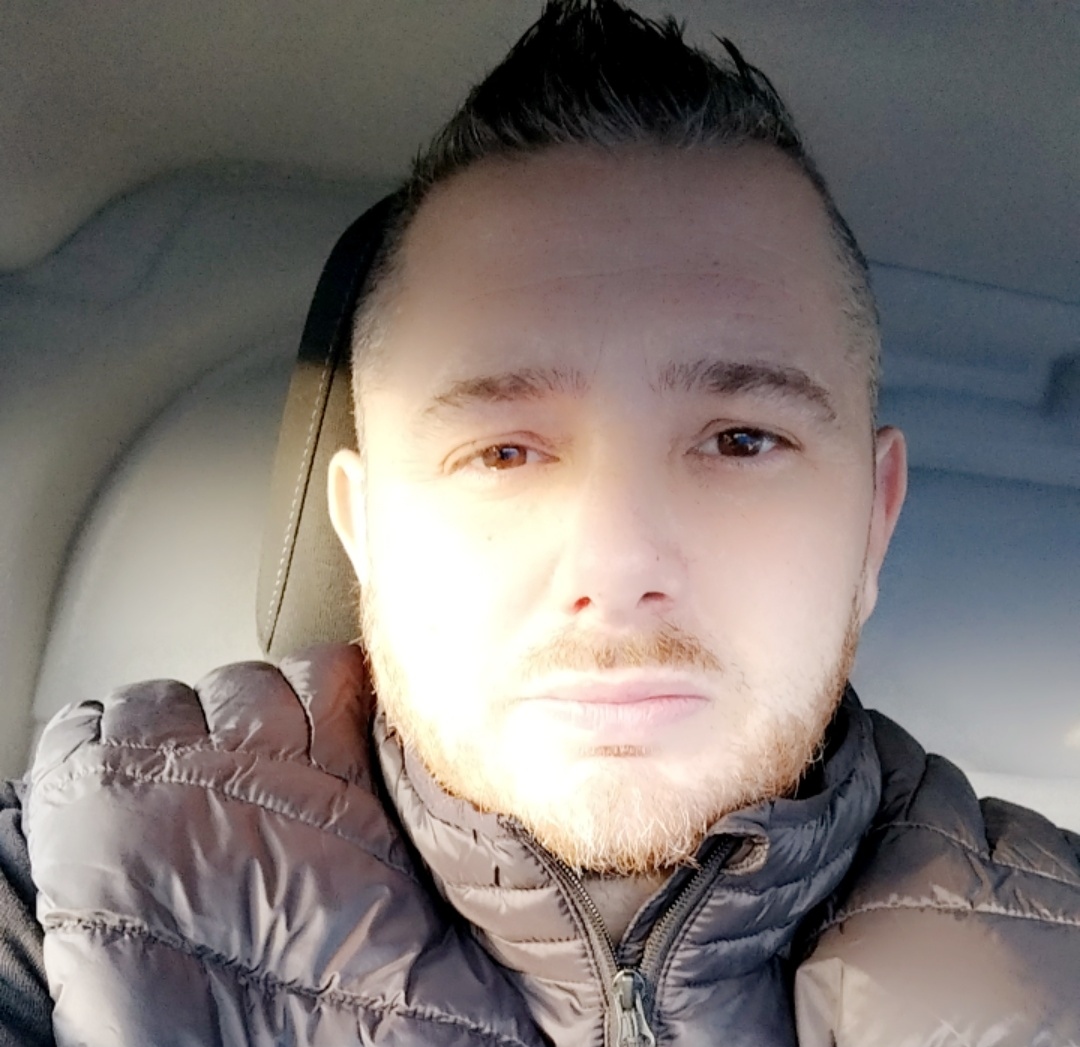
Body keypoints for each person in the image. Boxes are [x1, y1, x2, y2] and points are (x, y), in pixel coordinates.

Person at [3, 2, 1079, 1044]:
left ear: (873, 524)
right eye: (504, 453)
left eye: (741, 440)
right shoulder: (81, 900)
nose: (617, 566)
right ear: (365, 534)